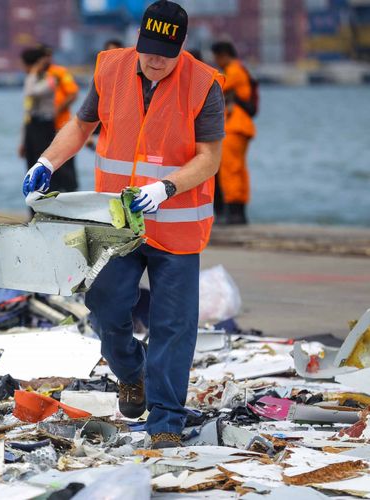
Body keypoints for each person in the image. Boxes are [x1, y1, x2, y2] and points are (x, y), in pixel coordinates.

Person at [22, 0, 225, 449]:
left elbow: (209, 158)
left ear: (181, 46)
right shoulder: (111, 69)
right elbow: (80, 125)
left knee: (174, 325)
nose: (153, 60)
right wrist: (46, 161)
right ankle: (132, 373)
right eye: (146, 49)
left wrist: (166, 187)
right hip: (117, 223)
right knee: (105, 306)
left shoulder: (204, 84)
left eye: (163, 53)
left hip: (176, 226)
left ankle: (167, 421)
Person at [212, 41, 256, 225]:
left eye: (217, 58)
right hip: (240, 126)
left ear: (223, 55)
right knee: (238, 170)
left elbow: (217, 86)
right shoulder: (239, 70)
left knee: (230, 170)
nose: (216, 62)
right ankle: (239, 212)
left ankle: (233, 212)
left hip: (234, 127)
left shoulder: (234, 71)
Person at [20, 47, 58, 193]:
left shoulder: (50, 79)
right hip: (32, 126)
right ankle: (32, 207)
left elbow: (30, 92)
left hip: (45, 126)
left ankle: (46, 202)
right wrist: (23, 140)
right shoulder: (33, 79)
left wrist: (34, 72)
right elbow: (27, 111)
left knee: (43, 165)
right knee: (30, 166)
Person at [42, 45, 79, 192]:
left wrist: (57, 110)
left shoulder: (60, 72)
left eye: (47, 55)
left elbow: (72, 94)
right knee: (47, 163)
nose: (45, 59)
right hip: (44, 127)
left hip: (61, 125)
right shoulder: (38, 74)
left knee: (66, 166)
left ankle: (70, 196)